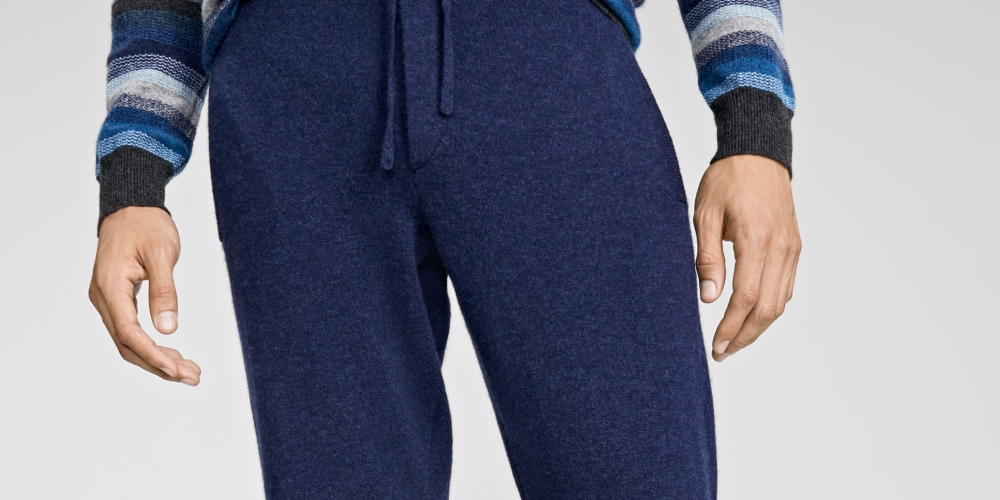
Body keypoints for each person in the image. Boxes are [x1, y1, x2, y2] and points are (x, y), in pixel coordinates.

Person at [89, 0, 801, 497]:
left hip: (547, 68)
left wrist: (755, 124)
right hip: (294, 97)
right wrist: (133, 176)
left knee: (635, 474)